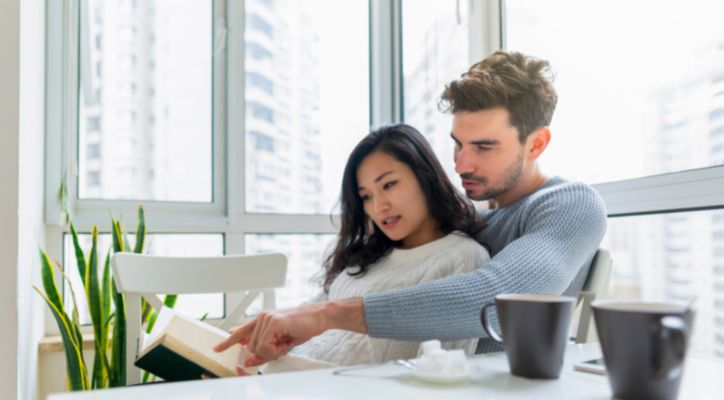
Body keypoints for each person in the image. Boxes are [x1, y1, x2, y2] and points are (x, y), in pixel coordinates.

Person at [215, 50, 607, 367]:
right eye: (458, 143)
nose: (461, 164)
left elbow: (499, 298)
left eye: (484, 147)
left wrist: (326, 316)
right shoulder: (473, 221)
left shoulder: (569, 204)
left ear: (536, 144)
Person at [243, 123, 490, 373]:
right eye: (366, 197)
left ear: (426, 177)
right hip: (274, 380)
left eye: (389, 185)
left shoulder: (462, 257)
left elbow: (443, 375)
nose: (379, 206)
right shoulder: (370, 254)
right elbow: (313, 310)